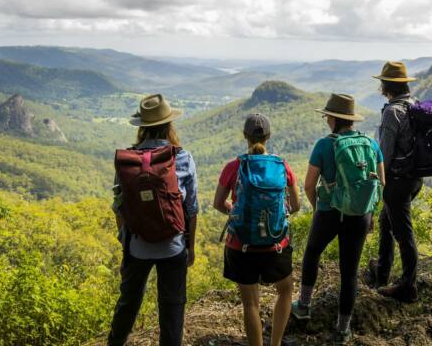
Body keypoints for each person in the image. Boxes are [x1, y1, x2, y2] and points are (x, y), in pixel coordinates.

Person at [291, 94, 385, 344]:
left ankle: (304, 305)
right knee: (349, 272)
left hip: (329, 211)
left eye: (327, 116)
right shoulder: (371, 145)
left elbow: (309, 185)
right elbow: (380, 184)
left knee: (312, 253)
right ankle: (343, 329)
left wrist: (317, 208)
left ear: (333, 118)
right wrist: (370, 212)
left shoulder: (324, 145)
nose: (326, 120)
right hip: (360, 214)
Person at [108, 94, 198, 346]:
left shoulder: (127, 161)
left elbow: (119, 207)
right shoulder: (182, 157)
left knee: (128, 304)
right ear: (169, 125)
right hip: (173, 245)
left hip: (137, 245)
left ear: (142, 127)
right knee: (172, 309)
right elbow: (191, 208)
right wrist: (190, 248)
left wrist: (125, 243)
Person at [213, 113, 300, 346]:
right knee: (284, 291)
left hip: (241, 245)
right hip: (276, 245)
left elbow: (219, 204)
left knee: (251, 303)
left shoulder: (234, 167)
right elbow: (297, 205)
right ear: (269, 136)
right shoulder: (282, 166)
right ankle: (276, 343)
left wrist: (236, 208)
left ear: (245, 136)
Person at [367, 61, 423, 303]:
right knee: (386, 221)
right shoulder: (414, 105)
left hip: (398, 180)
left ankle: (407, 286)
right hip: (414, 178)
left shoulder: (392, 111)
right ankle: (382, 271)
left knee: (402, 231)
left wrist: (378, 181)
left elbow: (385, 154)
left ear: (385, 86)